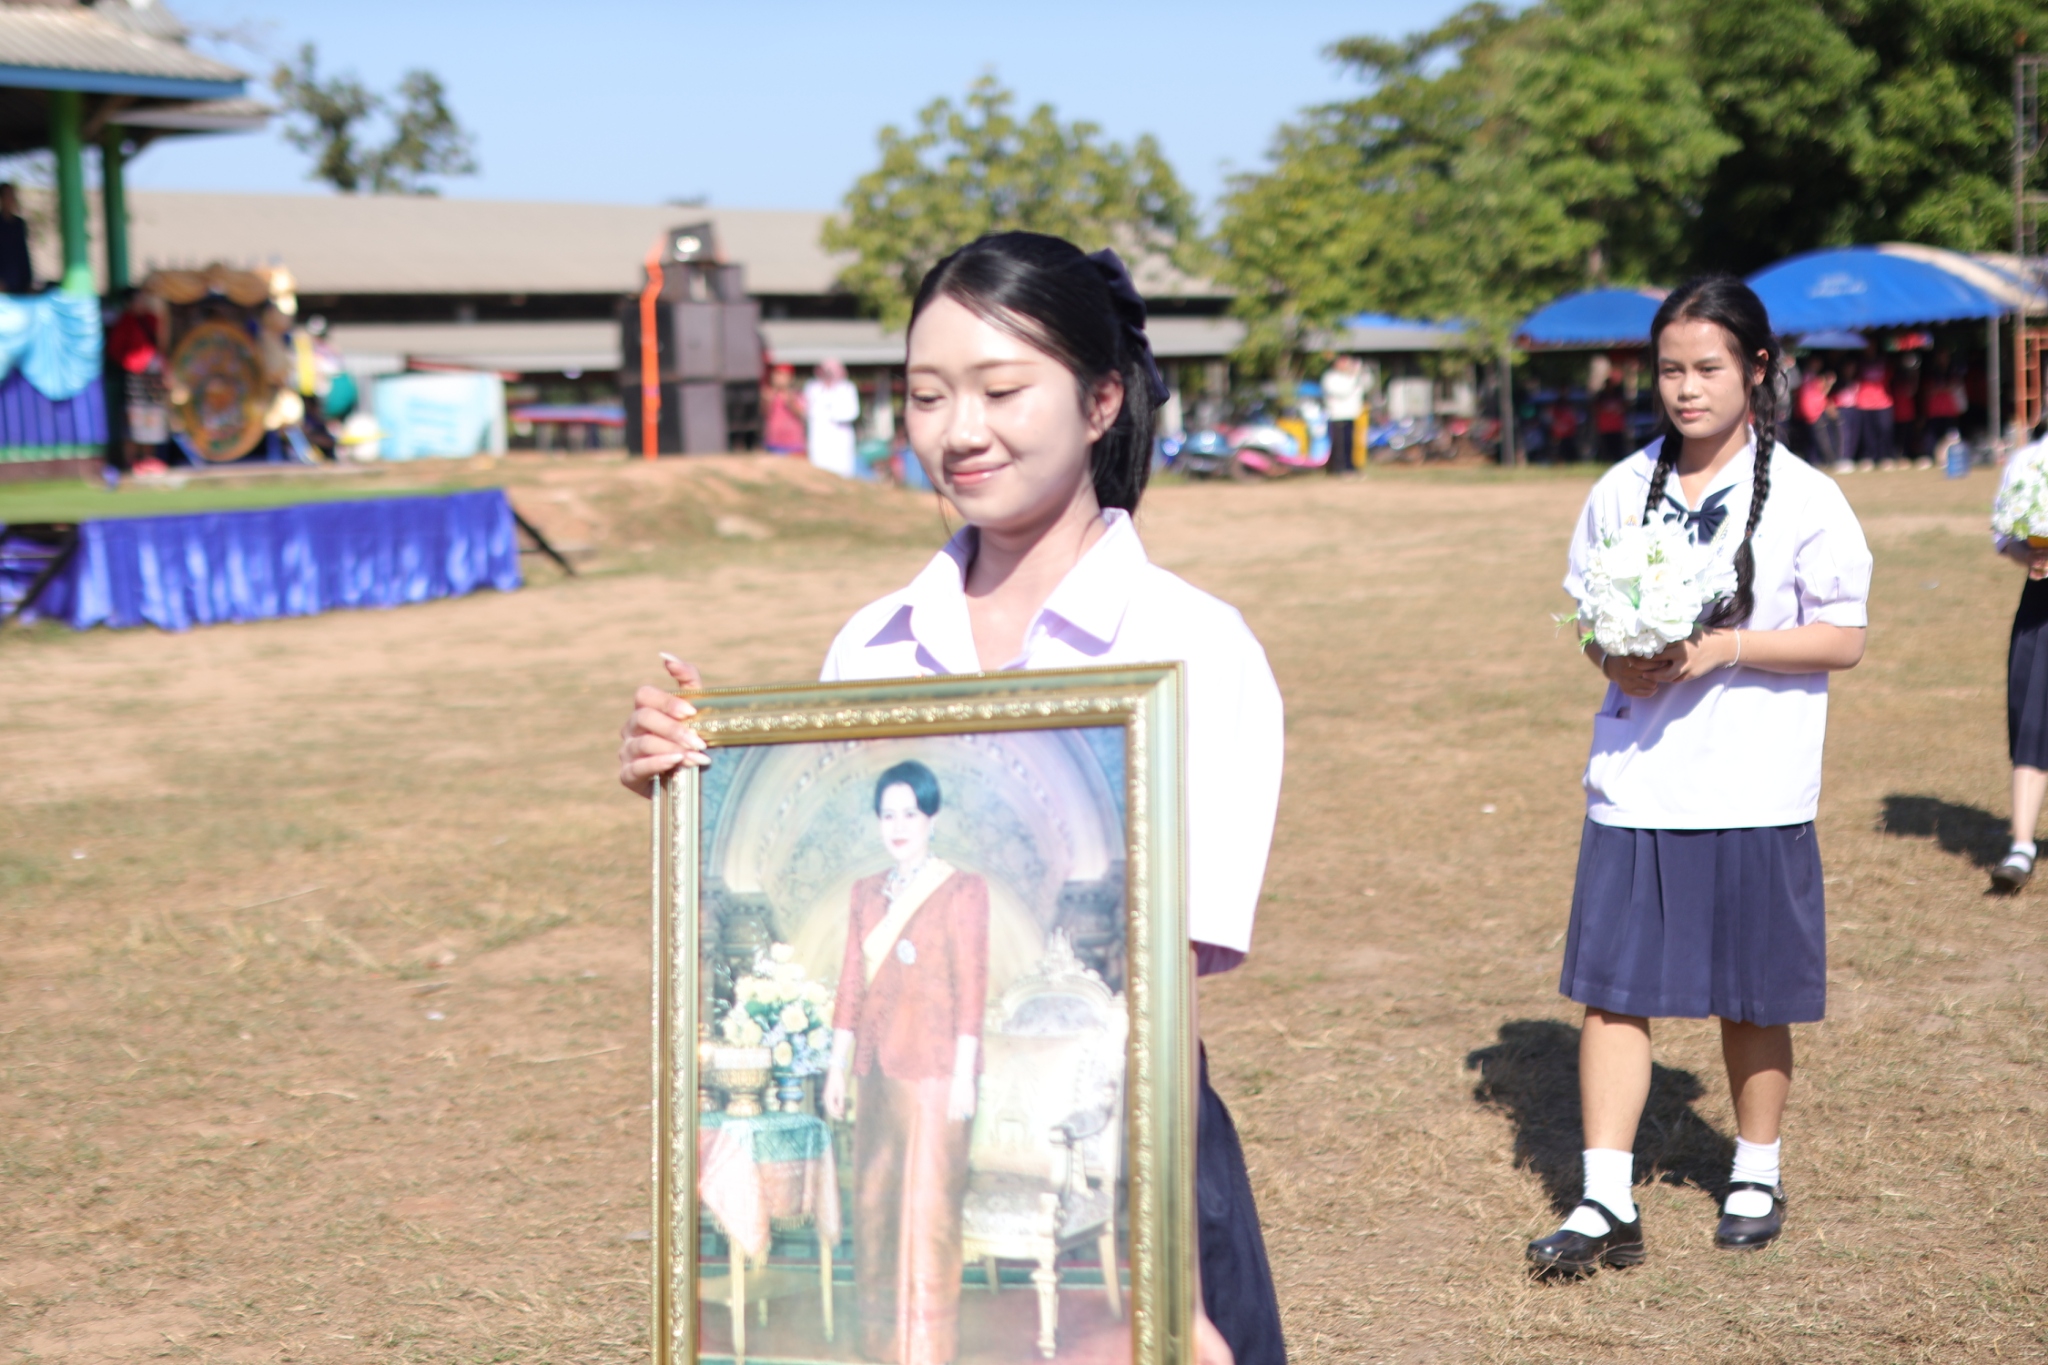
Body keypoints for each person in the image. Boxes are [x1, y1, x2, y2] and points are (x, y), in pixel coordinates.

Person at [619, 231, 1286, 1365]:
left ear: (1101, 400)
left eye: (1001, 389)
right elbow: (818, 874)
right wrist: (698, 779)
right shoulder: (872, 647)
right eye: (927, 395)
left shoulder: (1194, 648)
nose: (959, 430)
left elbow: (1159, 996)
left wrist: (1165, 1292)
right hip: (891, 1132)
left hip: (1141, 1161)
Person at [1527, 275, 1871, 1279]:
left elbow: (1843, 637)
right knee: (1610, 993)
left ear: (1756, 369)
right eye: (1670, 369)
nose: (1685, 389)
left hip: (1754, 783)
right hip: (1636, 780)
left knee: (1752, 994)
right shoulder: (1617, 488)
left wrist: (1729, 648)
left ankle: (1755, 1169)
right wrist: (1612, 656)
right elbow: (1585, 618)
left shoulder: (1805, 495)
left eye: (1707, 368)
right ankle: (1603, 1197)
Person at [824, 760, 989, 1365]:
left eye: (910, 814)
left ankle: (926, 1350)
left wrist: (965, 1075)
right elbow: (850, 981)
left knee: (926, 1218)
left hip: (936, 1076)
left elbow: (972, 982)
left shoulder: (962, 889)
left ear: (931, 819)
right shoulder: (865, 893)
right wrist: (836, 1067)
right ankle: (881, 1349)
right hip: (876, 1075)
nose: (898, 826)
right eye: (888, 815)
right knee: (876, 1212)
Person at [1992, 439, 2048, 891]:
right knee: (2032, 716)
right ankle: (2022, 845)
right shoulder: (2028, 462)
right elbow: (2005, 537)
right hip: (2041, 606)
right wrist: (2028, 554)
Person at [805, 356, 862, 477]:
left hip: (841, 439)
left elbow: (851, 413)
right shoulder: (813, 387)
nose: (829, 374)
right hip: (819, 437)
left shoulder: (848, 387)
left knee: (842, 472)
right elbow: (810, 411)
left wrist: (830, 413)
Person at [1321, 353, 1367, 474]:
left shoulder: (1351, 377)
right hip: (1338, 415)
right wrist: (1353, 377)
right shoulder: (1331, 377)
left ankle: (1349, 465)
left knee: (1350, 442)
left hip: (1351, 414)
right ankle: (1339, 467)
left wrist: (1358, 373)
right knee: (1340, 444)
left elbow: (1365, 387)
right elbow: (1342, 392)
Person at [1853, 346, 1896, 469]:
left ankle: (1885, 457)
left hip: (1883, 402)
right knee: (1868, 434)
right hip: (1864, 403)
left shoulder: (1884, 363)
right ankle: (1870, 457)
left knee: (1885, 430)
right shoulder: (1859, 363)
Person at [762, 364, 806, 455]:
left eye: (783, 375)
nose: (779, 378)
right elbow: (764, 413)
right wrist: (768, 400)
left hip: (793, 442)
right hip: (773, 441)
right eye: (777, 375)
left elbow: (801, 413)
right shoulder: (768, 394)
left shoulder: (796, 394)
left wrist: (790, 401)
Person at [0, 183, 32, 294]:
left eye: (12, 195)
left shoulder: (19, 224)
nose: (10, 199)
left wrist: (28, 281)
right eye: (7, 195)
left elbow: (23, 253)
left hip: (20, 281)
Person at [1593, 376, 1629, 463]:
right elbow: (1595, 409)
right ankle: (1604, 459)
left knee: (1617, 446)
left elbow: (1624, 407)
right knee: (1605, 446)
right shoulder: (1601, 397)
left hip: (1616, 426)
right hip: (1605, 427)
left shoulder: (1618, 395)